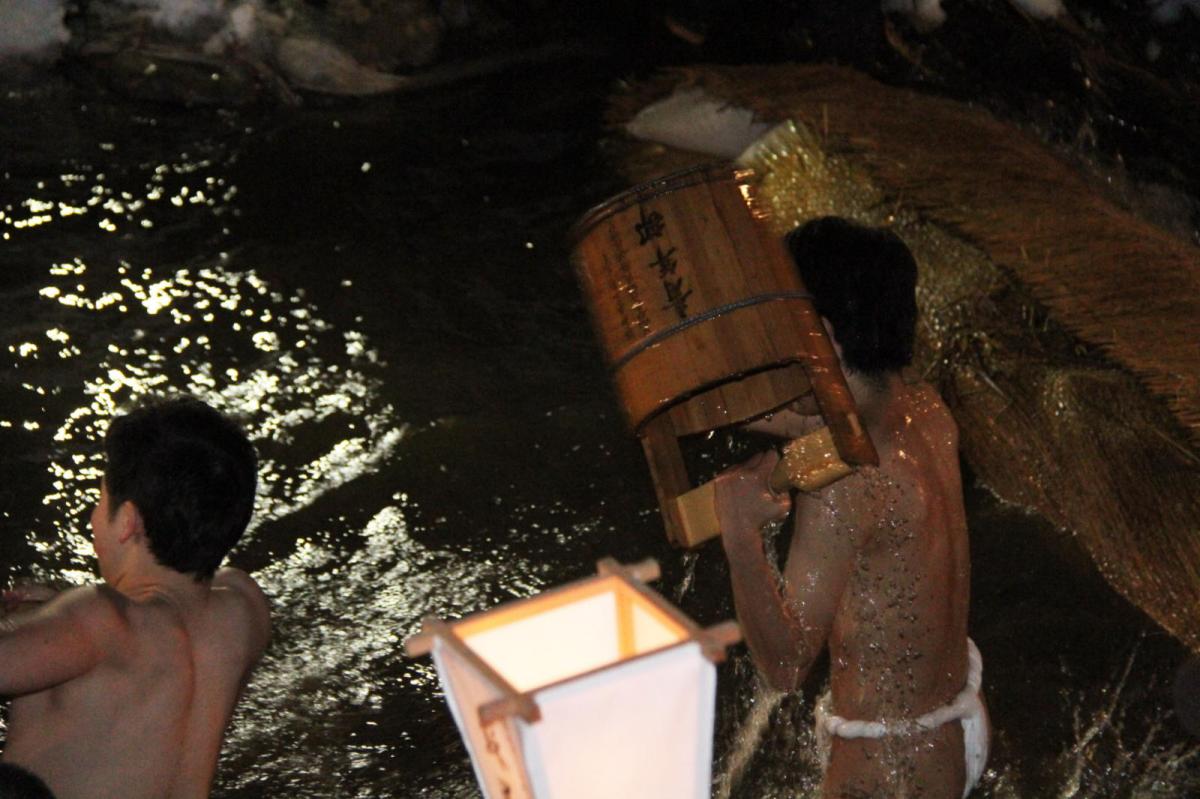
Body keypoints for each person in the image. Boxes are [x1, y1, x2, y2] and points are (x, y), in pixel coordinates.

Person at [714, 217, 989, 798]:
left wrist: (740, 536)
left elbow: (785, 667)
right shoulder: (927, 413)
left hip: (888, 769)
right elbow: (818, 417)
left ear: (823, 335)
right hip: (951, 730)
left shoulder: (846, 486)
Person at [0, 397, 271, 799]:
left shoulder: (96, 619)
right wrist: (54, 619)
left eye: (100, 500)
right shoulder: (244, 608)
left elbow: (112, 629)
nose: (94, 518)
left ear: (127, 521)